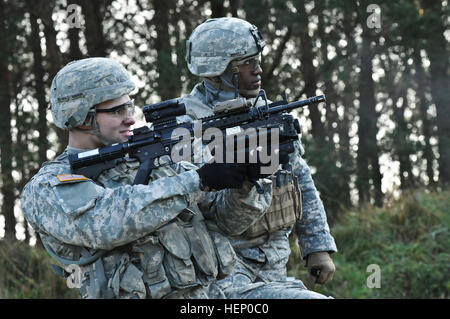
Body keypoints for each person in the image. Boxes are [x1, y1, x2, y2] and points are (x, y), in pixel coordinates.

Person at [19, 57, 275, 299]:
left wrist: (245, 180)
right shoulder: (48, 186)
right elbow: (107, 224)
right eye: (117, 110)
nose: (130, 118)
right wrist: (198, 180)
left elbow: (228, 223)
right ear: (82, 117)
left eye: (129, 106)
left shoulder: (156, 161)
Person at [179, 17, 338, 299]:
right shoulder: (186, 128)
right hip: (222, 274)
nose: (259, 69)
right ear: (219, 71)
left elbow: (299, 178)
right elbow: (211, 217)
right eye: (247, 63)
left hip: (274, 265)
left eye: (258, 59)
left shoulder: (264, 111)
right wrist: (247, 178)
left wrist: (317, 246)